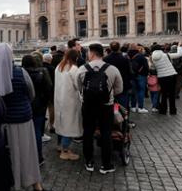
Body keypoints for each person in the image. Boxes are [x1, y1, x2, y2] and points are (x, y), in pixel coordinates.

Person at [0, 43, 54, 191]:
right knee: (27, 153)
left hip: (1, 122)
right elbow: (31, 94)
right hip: (22, 119)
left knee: (3, 155)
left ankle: (5, 186)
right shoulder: (20, 72)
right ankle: (37, 188)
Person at [76, 44, 123, 174]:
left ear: (91, 53)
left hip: (88, 105)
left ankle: (89, 161)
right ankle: (106, 164)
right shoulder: (112, 69)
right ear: (102, 53)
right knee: (106, 133)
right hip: (106, 106)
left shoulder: (81, 69)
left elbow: (78, 88)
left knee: (88, 132)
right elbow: (119, 89)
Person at [21, 54, 52, 165]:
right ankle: (38, 157)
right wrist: (44, 102)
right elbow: (48, 88)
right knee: (37, 132)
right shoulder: (42, 72)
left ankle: (25, 158)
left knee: (24, 133)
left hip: (25, 107)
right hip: (39, 106)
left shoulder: (20, 74)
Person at [53, 49, 82, 161]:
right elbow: (78, 85)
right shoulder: (74, 69)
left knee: (61, 123)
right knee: (69, 125)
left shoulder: (59, 67)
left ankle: (60, 145)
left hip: (60, 99)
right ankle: (65, 151)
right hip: (70, 100)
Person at [150, 44, 182, 115]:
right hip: (171, 75)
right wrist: (179, 46)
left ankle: (163, 110)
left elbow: (153, 68)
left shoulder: (152, 58)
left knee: (163, 94)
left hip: (161, 77)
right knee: (171, 94)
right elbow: (179, 54)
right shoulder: (166, 55)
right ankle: (172, 110)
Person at [104, 41, 132, 111]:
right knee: (123, 105)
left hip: (110, 83)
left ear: (110, 48)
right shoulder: (125, 59)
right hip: (123, 84)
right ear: (119, 48)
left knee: (110, 104)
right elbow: (129, 72)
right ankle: (124, 120)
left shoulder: (105, 59)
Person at [129, 45, 149, 113]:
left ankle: (133, 107)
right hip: (141, 75)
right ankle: (140, 107)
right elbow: (146, 66)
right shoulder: (140, 56)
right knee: (141, 91)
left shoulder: (127, 56)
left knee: (134, 91)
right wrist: (146, 74)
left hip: (132, 75)